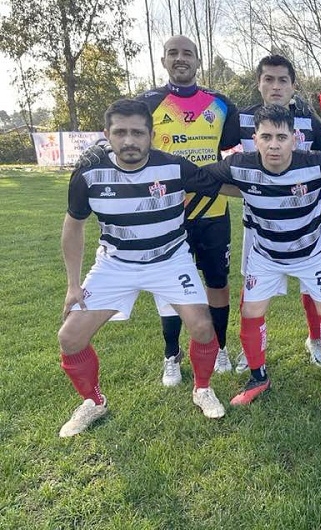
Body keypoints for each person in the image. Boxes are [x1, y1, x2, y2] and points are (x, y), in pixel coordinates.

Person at [58, 99, 228, 437]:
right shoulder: (88, 175)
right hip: (116, 265)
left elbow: (221, 182)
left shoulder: (175, 168)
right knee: (70, 338)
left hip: (169, 259)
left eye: (138, 132)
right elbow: (73, 226)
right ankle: (94, 402)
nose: (129, 140)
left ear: (152, 135)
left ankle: (202, 388)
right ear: (107, 135)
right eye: (120, 132)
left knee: (202, 326)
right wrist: (73, 284)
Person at [200, 104, 321, 410]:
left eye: (281, 137)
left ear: (294, 138)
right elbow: (198, 177)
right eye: (266, 137)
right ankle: (258, 377)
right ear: (255, 139)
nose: (273, 144)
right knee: (251, 312)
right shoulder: (240, 165)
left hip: (312, 252)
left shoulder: (317, 163)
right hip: (266, 254)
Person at [137, 35, 241, 386]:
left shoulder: (221, 104)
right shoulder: (147, 103)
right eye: (173, 53)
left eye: (188, 54)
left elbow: (228, 154)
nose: (180, 59)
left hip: (214, 210)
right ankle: (171, 354)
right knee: (169, 286)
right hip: (167, 212)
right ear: (163, 60)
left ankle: (221, 346)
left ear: (198, 61)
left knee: (217, 282)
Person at [238, 54, 321, 372]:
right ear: (259, 83)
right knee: (251, 288)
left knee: (313, 288)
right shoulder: (240, 120)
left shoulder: (308, 121)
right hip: (259, 224)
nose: (276, 86)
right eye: (269, 79)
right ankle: (248, 351)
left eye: (283, 80)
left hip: (306, 222)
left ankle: (315, 339)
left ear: (293, 85)